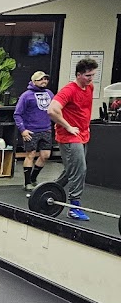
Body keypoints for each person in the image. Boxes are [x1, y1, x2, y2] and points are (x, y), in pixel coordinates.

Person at [47, 57, 97, 221]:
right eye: (88, 76)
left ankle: (49, 191)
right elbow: (52, 110)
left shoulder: (89, 88)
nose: (91, 79)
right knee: (80, 170)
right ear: (78, 74)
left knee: (72, 170)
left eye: (92, 75)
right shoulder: (69, 90)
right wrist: (68, 126)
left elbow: (83, 110)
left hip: (83, 134)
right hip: (69, 137)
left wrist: (85, 125)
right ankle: (74, 207)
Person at [14, 71, 54, 193]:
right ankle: (27, 183)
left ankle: (33, 178)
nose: (44, 81)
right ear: (34, 81)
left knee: (45, 155)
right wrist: (23, 130)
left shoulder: (49, 94)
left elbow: (55, 109)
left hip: (46, 129)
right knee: (30, 155)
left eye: (46, 79)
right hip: (31, 130)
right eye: (41, 79)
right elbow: (17, 114)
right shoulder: (26, 96)